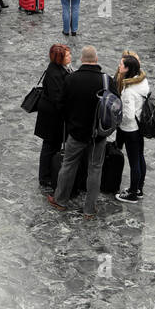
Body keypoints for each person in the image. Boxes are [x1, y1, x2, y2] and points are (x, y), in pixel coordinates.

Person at [48, 45, 110, 218]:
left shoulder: (71, 79)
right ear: (96, 60)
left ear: (82, 60)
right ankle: (89, 209)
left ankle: (60, 201)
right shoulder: (106, 80)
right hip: (98, 134)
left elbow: (60, 105)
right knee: (95, 168)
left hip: (76, 132)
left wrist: (71, 119)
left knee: (68, 165)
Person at [33, 45, 71, 188]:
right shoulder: (54, 74)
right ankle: (45, 177)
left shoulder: (59, 69)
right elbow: (57, 98)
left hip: (53, 116)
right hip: (51, 117)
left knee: (52, 145)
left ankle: (49, 173)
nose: (70, 57)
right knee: (49, 145)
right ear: (60, 58)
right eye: (67, 56)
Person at [115, 52, 150, 203]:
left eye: (121, 64)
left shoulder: (129, 91)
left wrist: (117, 118)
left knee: (134, 162)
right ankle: (139, 188)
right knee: (140, 158)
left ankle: (132, 193)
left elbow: (127, 116)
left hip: (130, 129)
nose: (119, 66)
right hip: (139, 127)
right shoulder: (142, 82)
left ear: (128, 69)